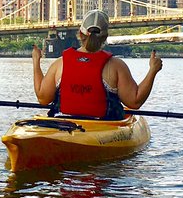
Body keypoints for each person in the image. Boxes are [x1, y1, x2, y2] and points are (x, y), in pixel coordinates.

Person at [31, 9, 162, 120]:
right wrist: (153, 70)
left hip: (63, 123)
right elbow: (134, 102)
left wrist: (36, 61)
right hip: (102, 126)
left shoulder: (60, 63)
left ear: (80, 34)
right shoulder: (116, 66)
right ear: (105, 37)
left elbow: (43, 98)